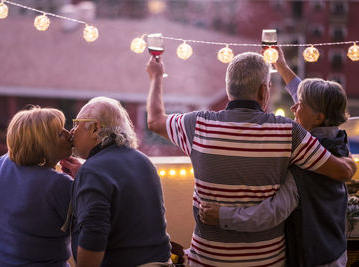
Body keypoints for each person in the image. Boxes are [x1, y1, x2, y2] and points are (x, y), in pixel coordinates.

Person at [145, 52, 356, 266]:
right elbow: (342, 171)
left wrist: (156, 77)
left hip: (207, 259)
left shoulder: (196, 125)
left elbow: (154, 121)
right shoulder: (289, 132)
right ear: (264, 90)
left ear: (229, 88)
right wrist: (345, 152)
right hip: (268, 261)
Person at [61, 96, 171, 267]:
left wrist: (87, 176)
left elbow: (93, 238)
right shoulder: (143, 161)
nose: (72, 131)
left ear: (95, 128)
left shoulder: (93, 171)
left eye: (77, 123)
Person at [0, 106, 74, 267]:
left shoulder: (1, 163)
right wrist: (84, 180)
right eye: (59, 134)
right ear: (43, 144)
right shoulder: (60, 184)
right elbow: (87, 230)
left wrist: (11, 237)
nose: (69, 134)